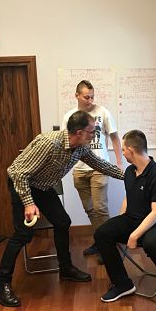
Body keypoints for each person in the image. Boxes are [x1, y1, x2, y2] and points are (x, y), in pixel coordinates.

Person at [0, 111, 124, 307]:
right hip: (21, 184)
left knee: (63, 222)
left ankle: (66, 269)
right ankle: (1, 285)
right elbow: (18, 173)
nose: (94, 135)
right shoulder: (48, 143)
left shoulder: (80, 148)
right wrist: (29, 203)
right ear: (79, 132)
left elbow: (100, 164)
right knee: (23, 234)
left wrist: (130, 176)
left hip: (42, 187)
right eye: (91, 132)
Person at [94, 130, 156, 303]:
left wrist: (134, 235)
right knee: (102, 233)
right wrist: (117, 221)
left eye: (123, 150)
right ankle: (123, 284)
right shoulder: (129, 172)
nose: (122, 153)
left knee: (152, 243)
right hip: (133, 218)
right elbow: (129, 197)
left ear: (131, 150)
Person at [61, 80, 123, 262]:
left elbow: (115, 138)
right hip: (79, 170)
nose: (90, 100)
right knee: (90, 209)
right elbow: (67, 141)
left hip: (99, 167)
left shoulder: (102, 112)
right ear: (77, 96)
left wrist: (119, 162)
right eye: (86, 97)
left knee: (100, 208)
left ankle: (108, 246)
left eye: (92, 96)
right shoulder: (69, 116)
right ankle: (100, 241)